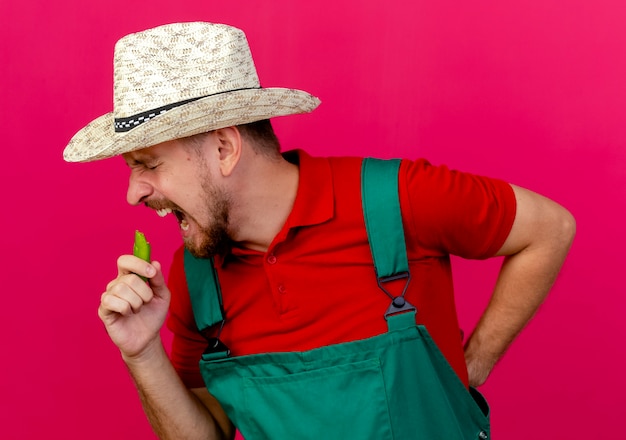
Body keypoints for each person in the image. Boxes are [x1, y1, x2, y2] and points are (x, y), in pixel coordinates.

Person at [64, 22, 575, 439]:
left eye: (148, 163)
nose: (134, 192)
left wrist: (476, 363)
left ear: (224, 148)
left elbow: (549, 228)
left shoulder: (397, 199)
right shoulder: (195, 276)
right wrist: (142, 352)